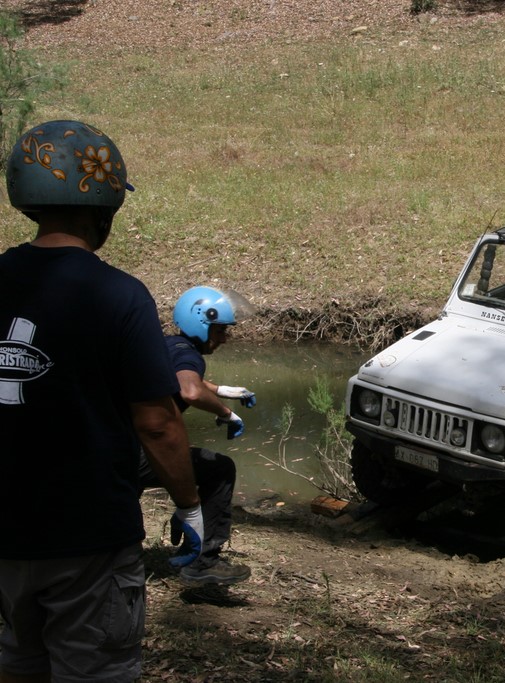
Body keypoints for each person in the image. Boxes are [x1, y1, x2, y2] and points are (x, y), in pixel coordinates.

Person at [0, 120, 203, 682]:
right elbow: (157, 423)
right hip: (88, 535)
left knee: (18, 661)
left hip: (6, 535)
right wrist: (188, 504)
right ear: (105, 209)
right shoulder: (120, 295)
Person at [138, 285, 257, 586]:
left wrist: (223, 390)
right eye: (220, 330)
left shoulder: (169, 344)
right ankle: (205, 563)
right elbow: (189, 389)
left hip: (114, 446)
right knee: (220, 469)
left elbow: (186, 377)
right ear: (201, 324)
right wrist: (225, 413)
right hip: (139, 451)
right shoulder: (188, 354)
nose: (225, 338)